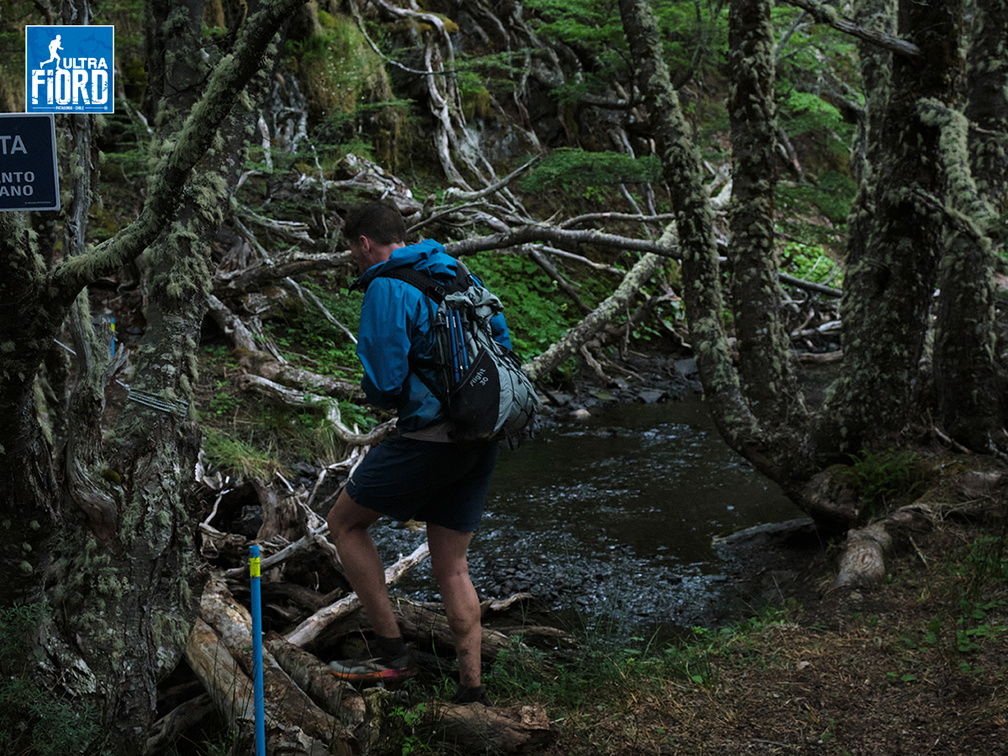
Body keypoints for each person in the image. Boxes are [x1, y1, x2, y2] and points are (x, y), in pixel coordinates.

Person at [327, 200, 511, 705]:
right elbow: (501, 338)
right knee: (453, 566)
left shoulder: (387, 286)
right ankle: (471, 690)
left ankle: (392, 657)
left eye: (353, 251)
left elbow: (385, 384)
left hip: (430, 439)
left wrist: (388, 393)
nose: (354, 260)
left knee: (343, 524)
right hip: (482, 431)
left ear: (364, 243)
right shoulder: (451, 269)